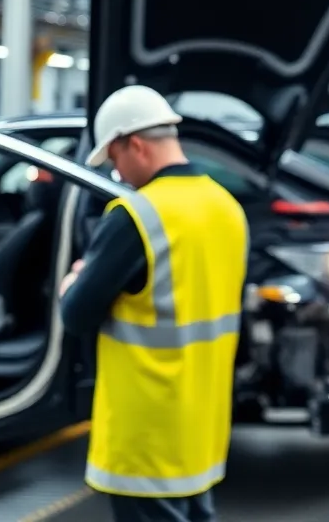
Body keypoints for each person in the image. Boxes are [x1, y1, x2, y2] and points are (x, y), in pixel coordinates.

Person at [60, 85, 247, 522]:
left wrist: (73, 279)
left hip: (147, 435)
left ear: (136, 145)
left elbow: (76, 315)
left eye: (115, 160)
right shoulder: (228, 208)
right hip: (201, 423)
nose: (118, 175)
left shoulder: (137, 215)